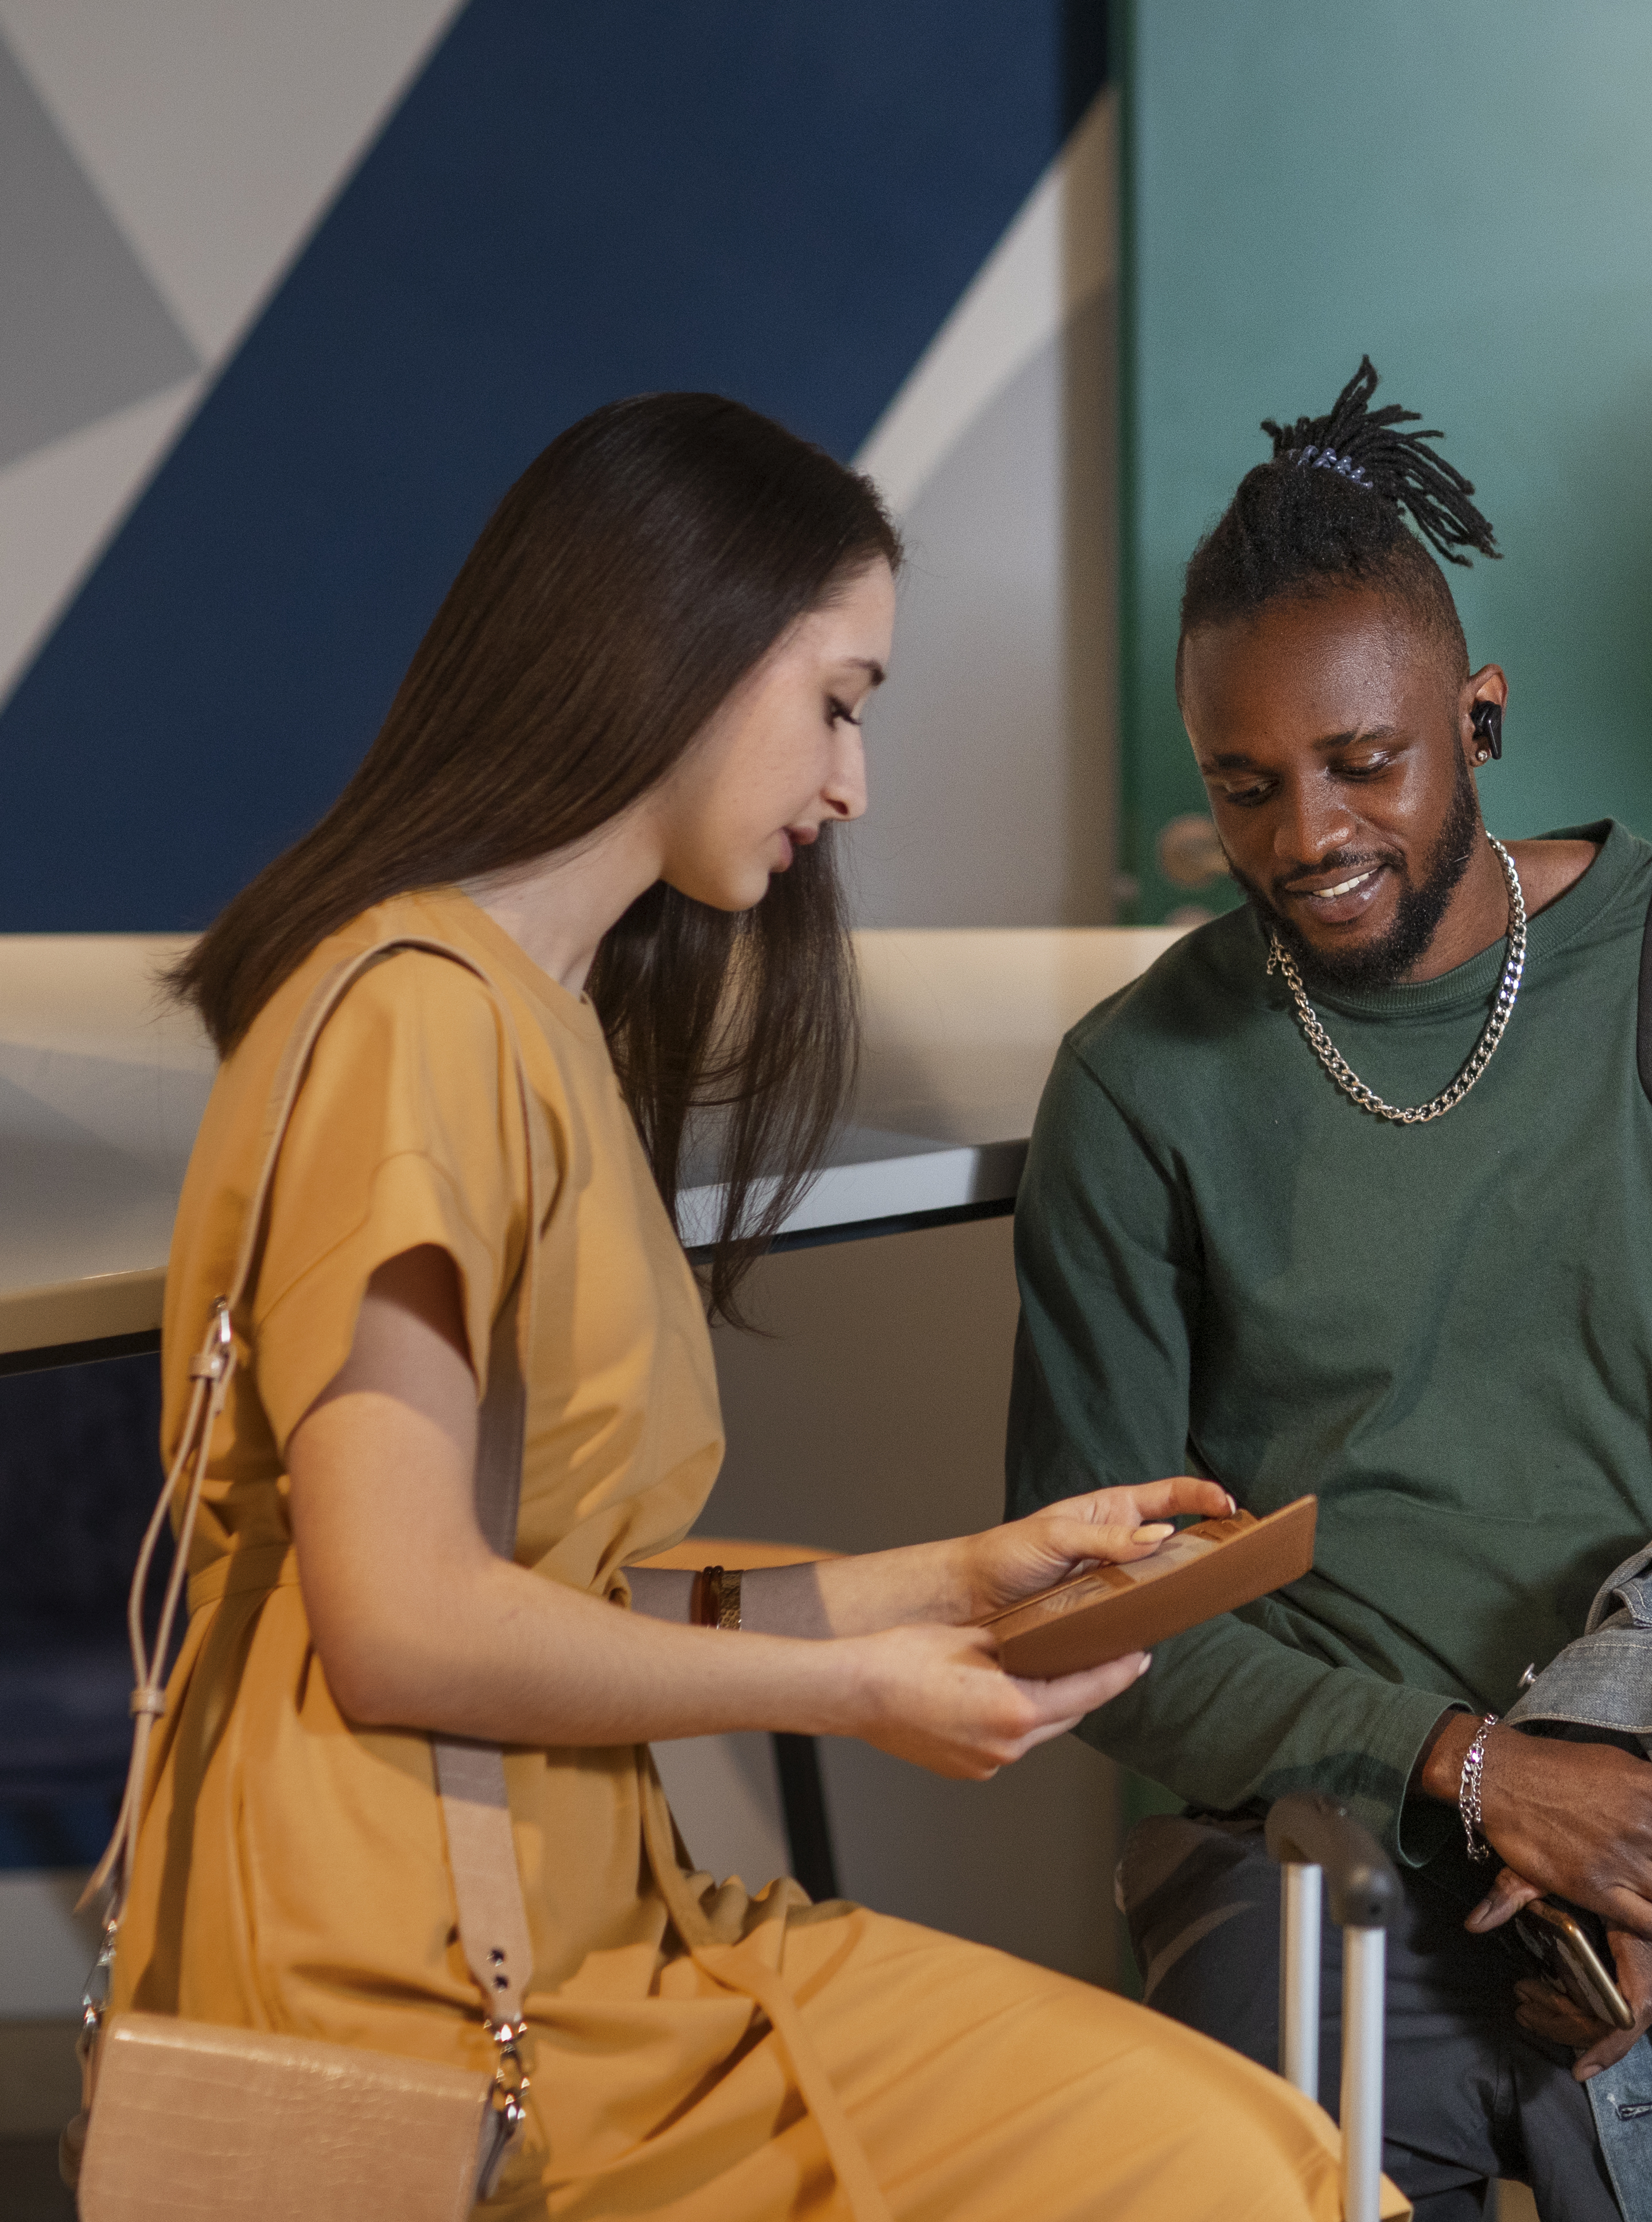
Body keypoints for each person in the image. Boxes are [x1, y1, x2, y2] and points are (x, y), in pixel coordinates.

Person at [118, 393, 1386, 2220]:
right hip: (426, 2000)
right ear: (680, 646)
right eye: (841, 700)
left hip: (606, 1946)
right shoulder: (416, 1017)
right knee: (1225, 2174)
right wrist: (860, 1690)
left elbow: (536, 1587)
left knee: (1248, 2161)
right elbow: (398, 1621)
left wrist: (954, 1586)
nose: (851, 784)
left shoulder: (525, 1022)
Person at [1004, 362, 1652, 2222]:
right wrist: (1471, 1769)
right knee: (1261, 2178)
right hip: (1326, 1838)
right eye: (1245, 784)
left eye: (1368, 762)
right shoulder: (1139, 1082)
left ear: (1481, 717)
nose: (1311, 837)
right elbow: (1099, 1616)